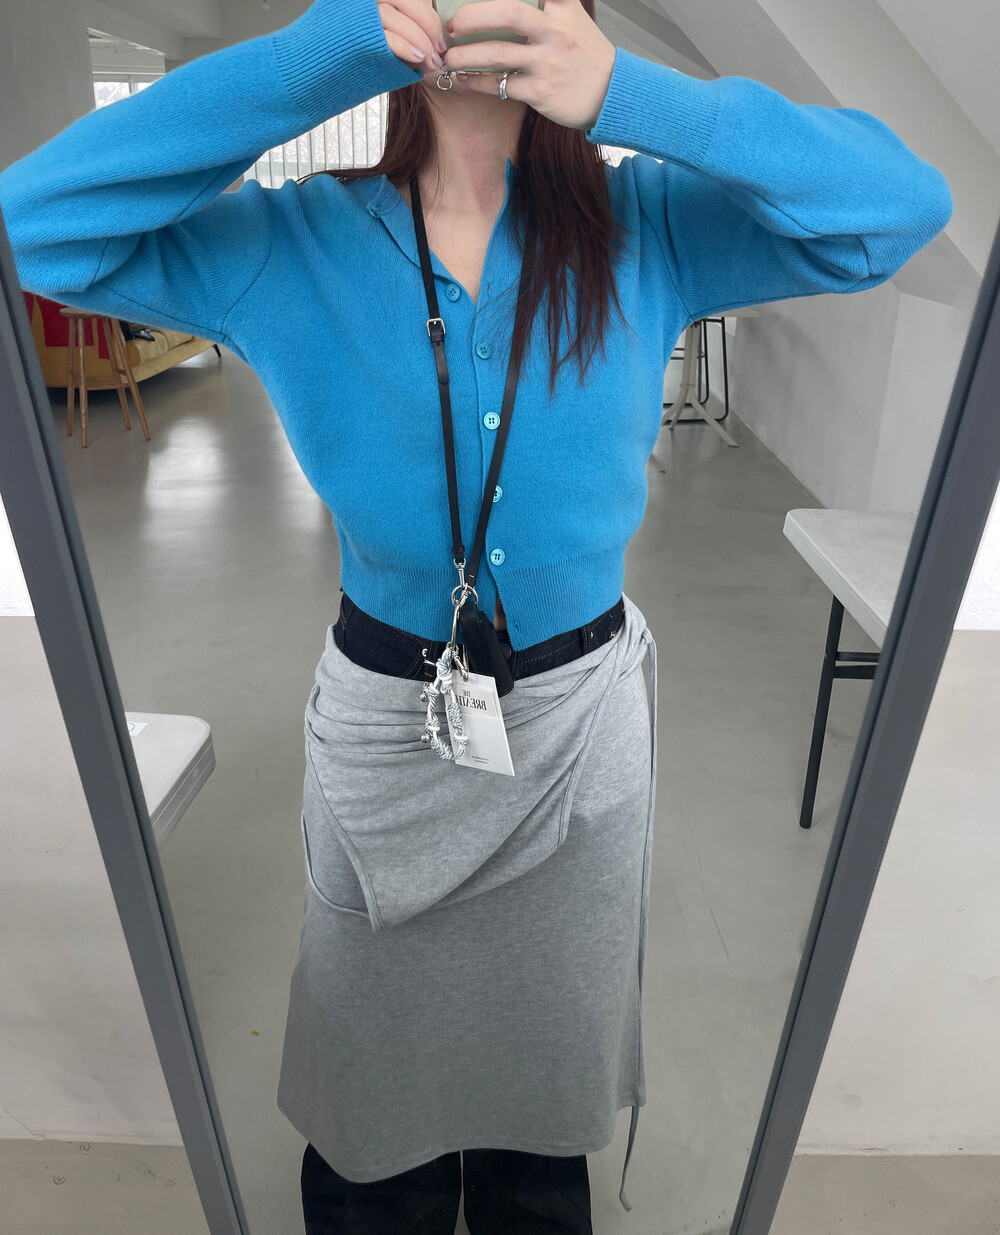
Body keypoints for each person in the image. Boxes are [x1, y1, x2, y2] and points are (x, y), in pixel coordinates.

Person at [0, 0, 952, 1230]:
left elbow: (899, 209)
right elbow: (36, 227)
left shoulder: (646, 228)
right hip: (384, 731)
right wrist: (328, 49)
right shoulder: (293, 242)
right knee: (369, 1110)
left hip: (580, 735)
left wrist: (631, 93)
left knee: (539, 1105)